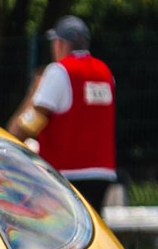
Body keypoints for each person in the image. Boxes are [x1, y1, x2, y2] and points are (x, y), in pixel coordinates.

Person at [12, 15, 117, 206]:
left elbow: (37, 118)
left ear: (60, 43)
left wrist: (13, 138)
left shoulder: (59, 71)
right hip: (103, 172)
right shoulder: (105, 73)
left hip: (66, 173)